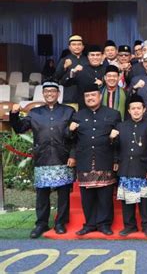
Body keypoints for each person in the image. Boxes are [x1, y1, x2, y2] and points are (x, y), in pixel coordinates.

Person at [10, 81, 75, 238]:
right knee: (42, 194)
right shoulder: (34, 113)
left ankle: (60, 223)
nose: (50, 94)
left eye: (53, 91)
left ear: (58, 94)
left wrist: (73, 155)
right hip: (43, 158)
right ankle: (41, 224)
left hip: (63, 157)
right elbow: (19, 128)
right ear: (43, 94)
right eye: (47, 92)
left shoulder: (68, 111)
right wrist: (14, 115)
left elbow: (76, 137)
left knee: (63, 195)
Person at [68, 83, 121, 236]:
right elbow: (72, 139)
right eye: (87, 96)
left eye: (93, 95)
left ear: (100, 96)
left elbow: (119, 140)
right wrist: (69, 132)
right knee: (87, 197)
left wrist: (116, 159)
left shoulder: (113, 114)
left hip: (105, 158)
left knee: (105, 196)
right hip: (85, 159)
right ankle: (89, 224)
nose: (90, 98)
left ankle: (104, 224)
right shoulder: (78, 115)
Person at [114, 94, 147, 237]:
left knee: (144, 200)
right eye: (133, 108)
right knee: (127, 200)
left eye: (139, 108)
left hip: (143, 168)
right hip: (125, 166)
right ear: (129, 110)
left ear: (144, 110)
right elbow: (116, 148)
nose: (136, 111)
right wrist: (111, 139)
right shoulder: (121, 126)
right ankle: (130, 225)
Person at [61, 45, 106, 109]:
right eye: (92, 55)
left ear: (102, 56)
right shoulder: (81, 70)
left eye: (98, 55)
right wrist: (73, 72)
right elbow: (65, 83)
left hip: (103, 108)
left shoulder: (107, 70)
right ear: (88, 56)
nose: (95, 57)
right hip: (84, 108)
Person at [54, 34, 87, 104]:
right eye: (74, 44)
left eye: (79, 44)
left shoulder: (88, 60)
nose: (77, 47)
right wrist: (64, 67)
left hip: (86, 98)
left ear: (83, 47)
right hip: (69, 97)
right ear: (69, 47)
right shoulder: (64, 60)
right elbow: (56, 77)